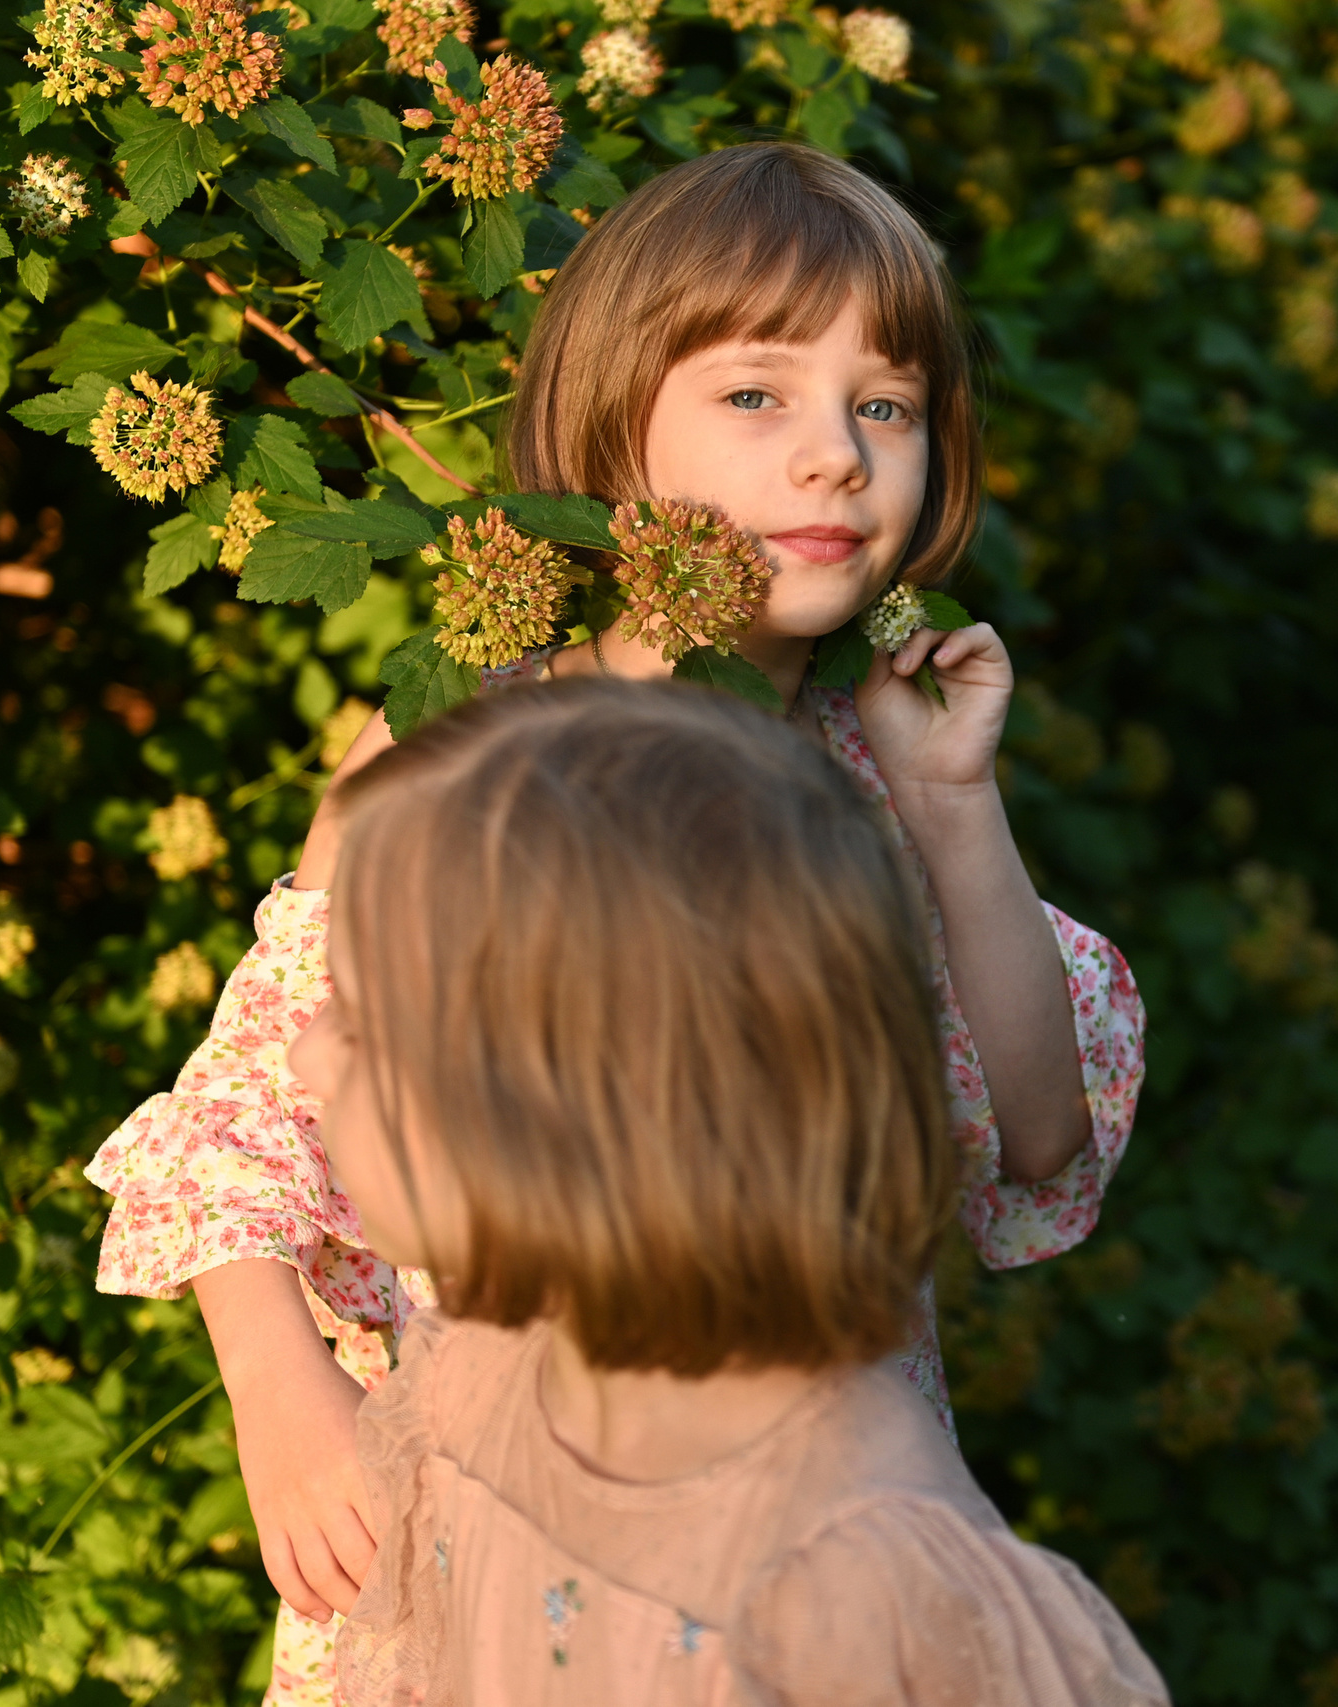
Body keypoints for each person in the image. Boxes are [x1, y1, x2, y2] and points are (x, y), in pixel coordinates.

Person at [85, 140, 1147, 1704]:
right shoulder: (468, 755)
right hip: (491, 1533)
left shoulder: (878, 781)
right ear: (610, 424)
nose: (835, 457)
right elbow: (253, 1098)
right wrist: (277, 1382)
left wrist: (955, 804)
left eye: (887, 406)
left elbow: (1039, 1140)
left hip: (796, 1535)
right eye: (756, 396)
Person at [304, 681, 1166, 1704]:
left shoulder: (858, 1583)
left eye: (359, 1018)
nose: (310, 1057)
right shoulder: (487, 1377)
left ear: (567, 1103)